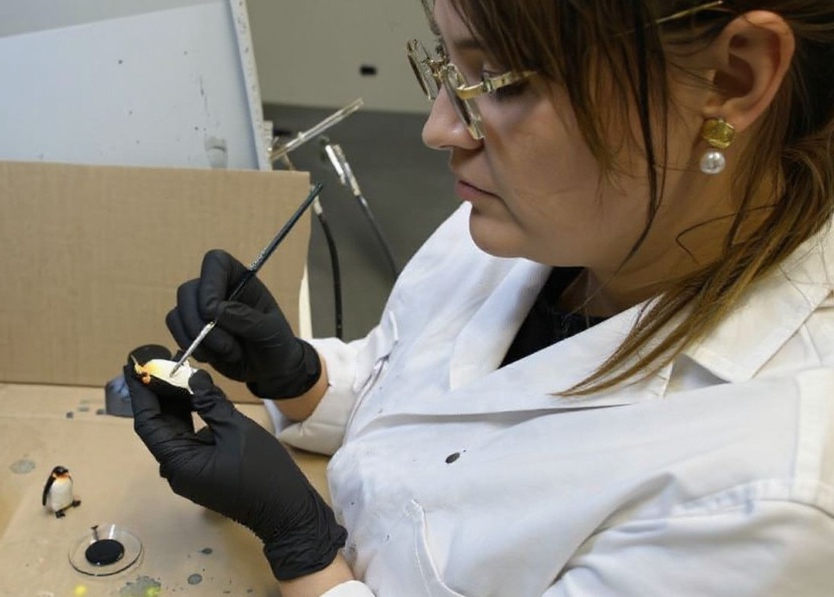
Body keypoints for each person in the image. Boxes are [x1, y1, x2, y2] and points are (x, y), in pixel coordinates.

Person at [123, 0, 834, 595]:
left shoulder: (768, 498)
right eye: (448, 66)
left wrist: (303, 546)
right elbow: (428, 401)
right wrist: (303, 379)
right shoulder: (543, 217)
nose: (437, 129)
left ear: (732, 76)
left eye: (500, 80)